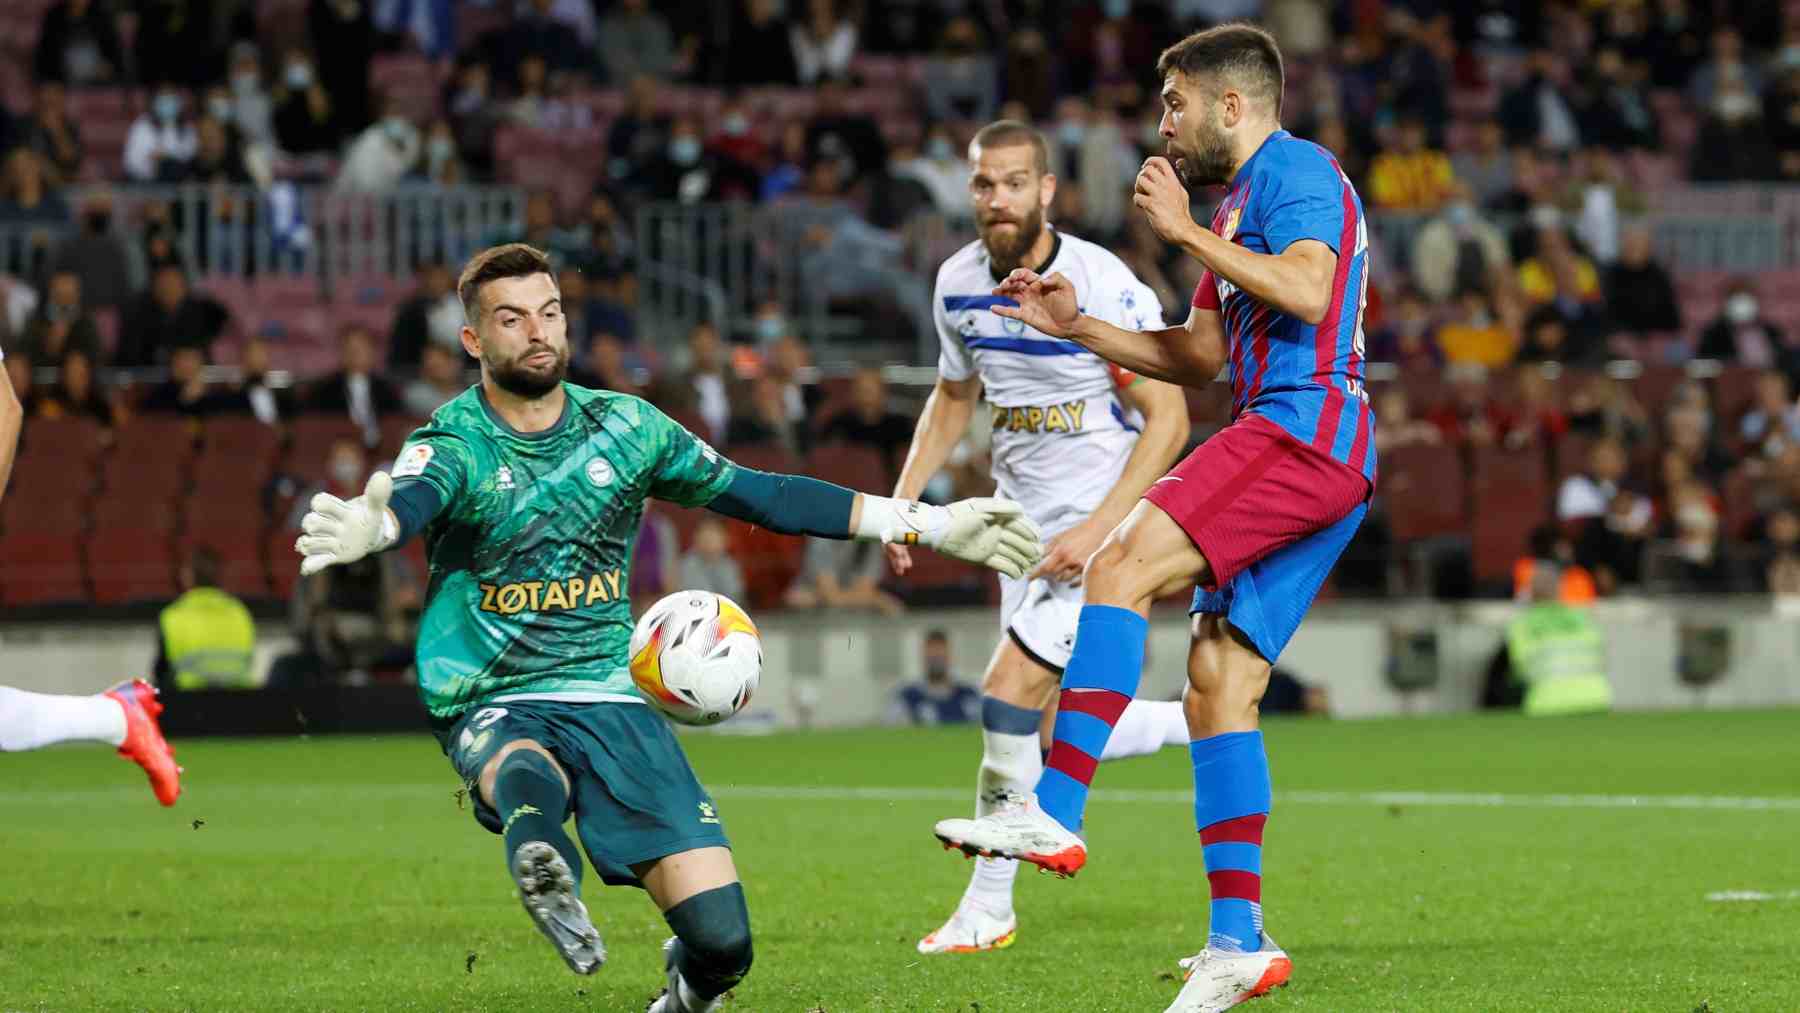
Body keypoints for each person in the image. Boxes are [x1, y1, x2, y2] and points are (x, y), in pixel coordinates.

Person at [290, 243, 1042, 1006]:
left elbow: (764, 496)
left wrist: (927, 523)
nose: (538, 331)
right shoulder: (453, 440)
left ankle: (683, 992)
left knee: (725, 942)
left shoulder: (626, 426)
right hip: (492, 687)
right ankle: (542, 857)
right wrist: (377, 527)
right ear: (474, 341)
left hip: (612, 693)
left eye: (549, 312)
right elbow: (413, 494)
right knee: (525, 768)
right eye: (511, 319)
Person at [932, 26, 1375, 1010]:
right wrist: (1078, 325)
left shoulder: (1297, 173)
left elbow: (1309, 286)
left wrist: (1183, 234)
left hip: (1304, 427)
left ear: (1231, 105)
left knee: (1120, 560)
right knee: (1218, 684)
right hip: (1305, 440)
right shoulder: (1238, 207)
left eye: (1174, 103)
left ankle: (1054, 808)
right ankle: (1238, 942)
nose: (1162, 122)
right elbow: (1201, 352)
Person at [889, 119, 1193, 957]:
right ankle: (1202, 719)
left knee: (1005, 693)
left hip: (1104, 531)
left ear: (1048, 191)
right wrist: (903, 502)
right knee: (1056, 727)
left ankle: (990, 902)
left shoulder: (1098, 282)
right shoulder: (956, 284)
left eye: (1015, 183)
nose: (998, 199)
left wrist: (1100, 531)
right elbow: (955, 397)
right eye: (985, 184)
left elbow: (1168, 419)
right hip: (1019, 538)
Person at [1482, 561, 1612, 716]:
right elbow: (1601, 658)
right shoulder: (1584, 620)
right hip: (1596, 700)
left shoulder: (1523, 625)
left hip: (1547, 704)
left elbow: (1507, 676)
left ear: (1530, 591)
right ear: (1560, 589)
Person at [153, 546, 256, 690]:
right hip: (237, 705)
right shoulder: (240, 613)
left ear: (188, 577)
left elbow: (161, 675)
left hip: (189, 705)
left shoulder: (173, 617)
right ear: (219, 576)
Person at [894, 630, 981, 725]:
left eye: (940, 655)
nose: (936, 661)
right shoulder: (907, 698)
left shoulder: (969, 696)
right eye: (932, 656)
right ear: (923, 657)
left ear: (949, 656)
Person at [675, 518, 746, 602]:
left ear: (726, 540)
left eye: (714, 535)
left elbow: (736, 596)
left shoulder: (730, 565)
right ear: (695, 538)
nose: (709, 541)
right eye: (705, 535)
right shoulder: (685, 565)